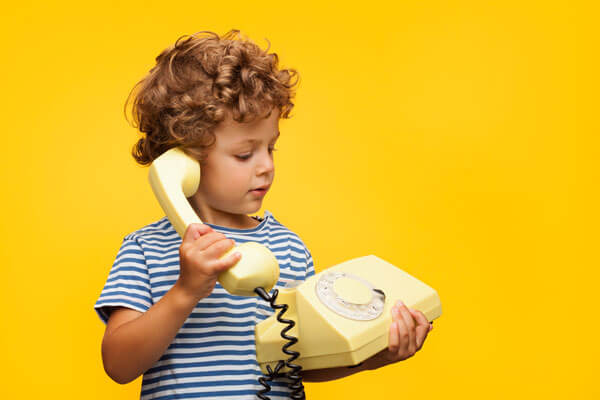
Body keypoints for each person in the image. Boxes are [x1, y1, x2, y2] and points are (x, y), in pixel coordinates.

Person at [94, 29, 433, 400]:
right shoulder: (145, 249)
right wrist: (185, 292)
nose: (266, 167)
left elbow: (299, 357)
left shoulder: (287, 248)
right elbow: (119, 365)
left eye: (270, 148)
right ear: (183, 160)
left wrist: (368, 357)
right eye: (244, 154)